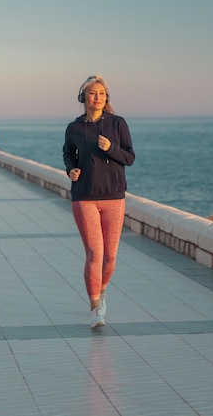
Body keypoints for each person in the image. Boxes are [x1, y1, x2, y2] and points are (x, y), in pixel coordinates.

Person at [63, 75, 135, 329]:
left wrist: (111, 148)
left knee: (110, 257)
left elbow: (129, 157)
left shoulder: (118, 124)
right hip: (84, 196)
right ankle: (96, 310)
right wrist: (71, 169)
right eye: (93, 93)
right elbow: (68, 153)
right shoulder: (74, 128)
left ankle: (101, 290)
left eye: (102, 94)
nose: (98, 98)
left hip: (114, 196)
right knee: (95, 254)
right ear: (83, 97)